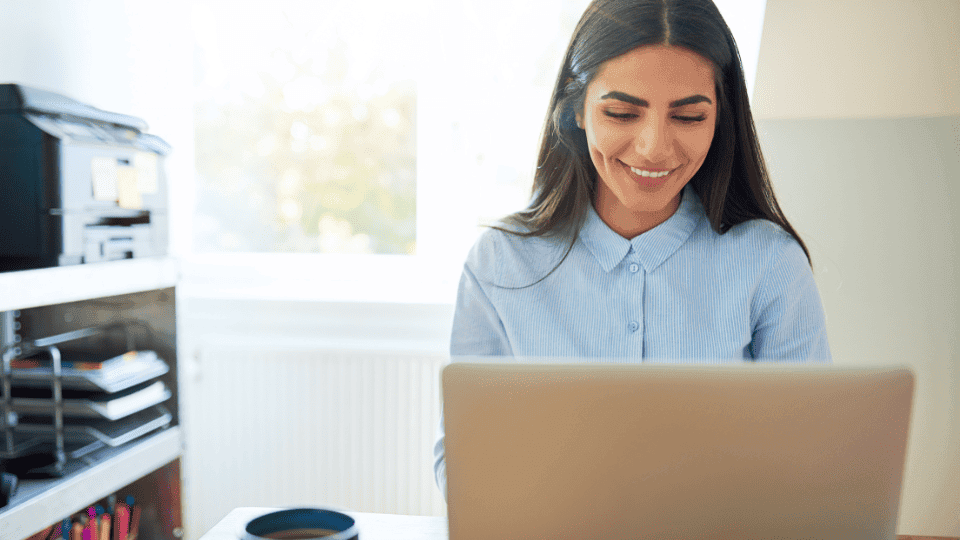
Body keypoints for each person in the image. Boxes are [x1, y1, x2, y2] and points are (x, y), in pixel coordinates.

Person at [434, 0, 831, 497]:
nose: (654, 148)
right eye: (622, 112)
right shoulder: (498, 263)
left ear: (720, 119)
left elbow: (812, 460)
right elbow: (466, 460)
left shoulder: (771, 264)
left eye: (687, 117)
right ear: (575, 110)